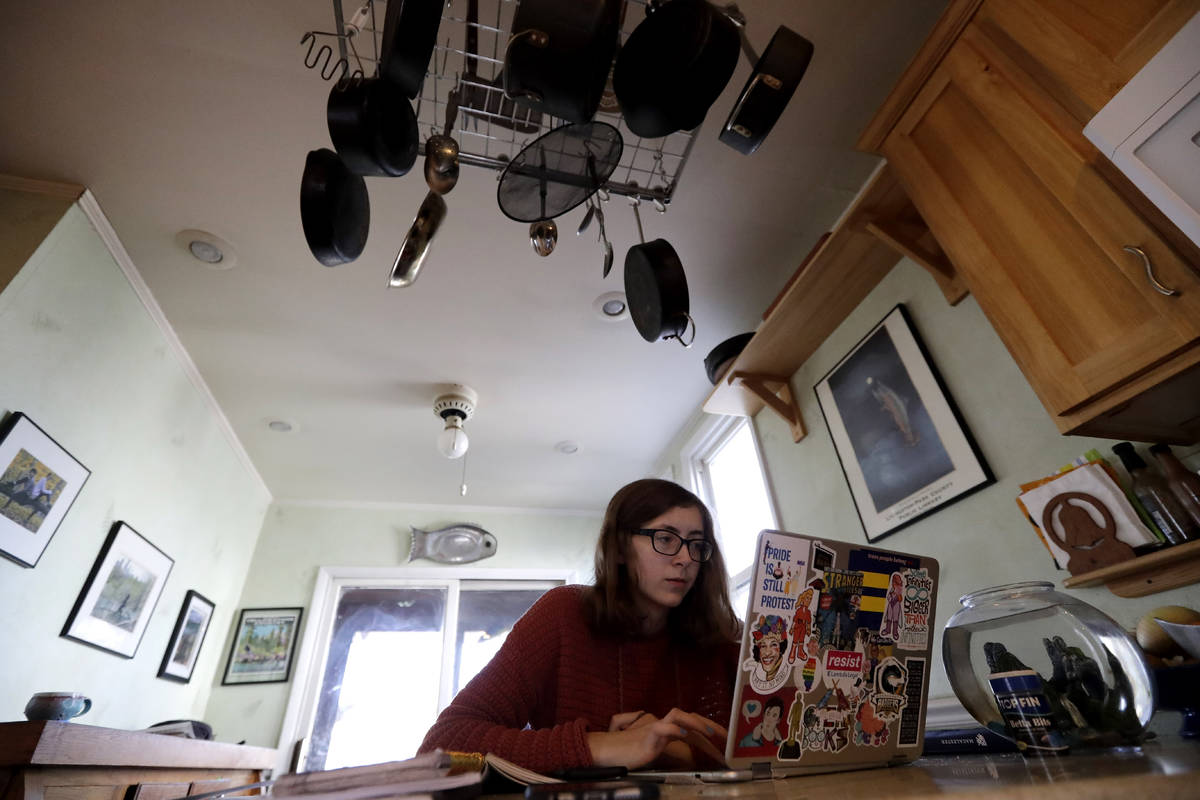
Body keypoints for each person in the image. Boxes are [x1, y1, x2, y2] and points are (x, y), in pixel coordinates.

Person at [418, 478, 741, 774]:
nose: (685, 558)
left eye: (697, 545)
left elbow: (762, 751)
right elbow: (443, 744)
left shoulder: (723, 635)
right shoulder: (563, 614)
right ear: (619, 549)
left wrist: (673, 750)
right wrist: (601, 746)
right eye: (665, 538)